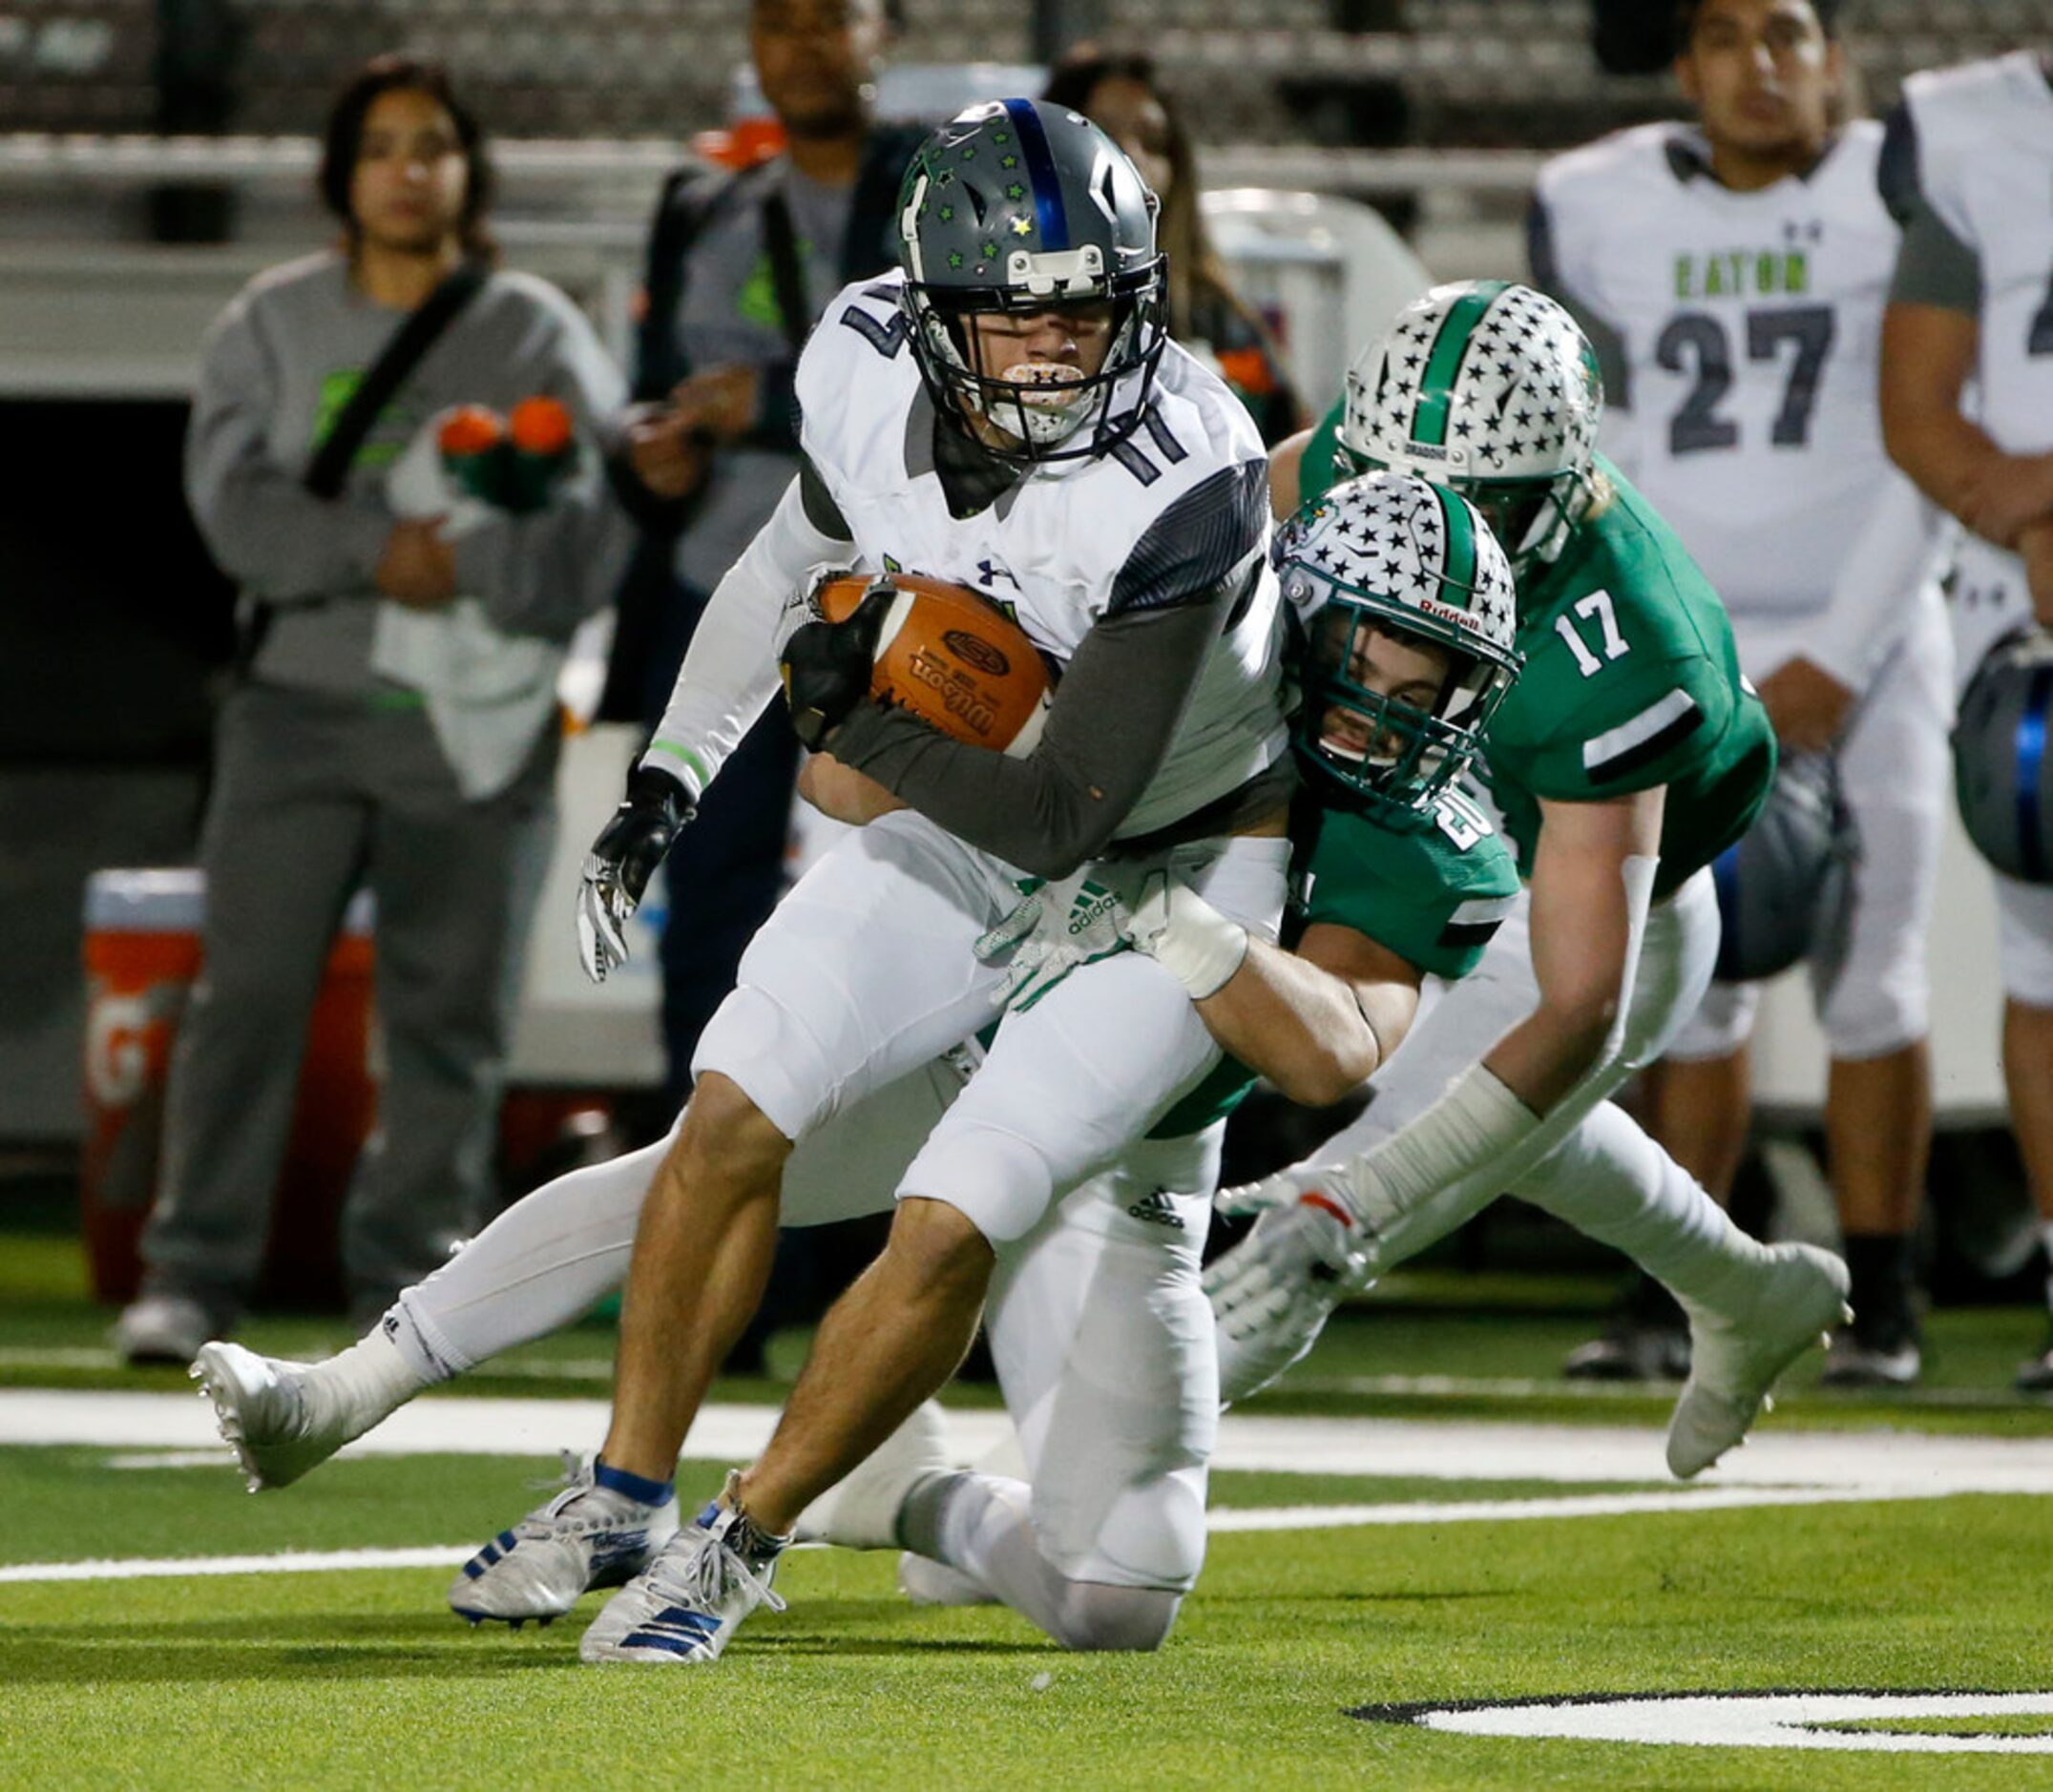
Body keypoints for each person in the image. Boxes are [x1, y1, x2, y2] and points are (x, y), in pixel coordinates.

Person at [205, 97, 1293, 1662]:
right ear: (928, 309)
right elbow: (787, 561)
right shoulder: (861, 364)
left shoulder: (1177, 471)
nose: (1056, 347)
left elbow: (1067, 810)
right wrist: (671, 772)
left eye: (1086, 309)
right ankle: (628, 1488)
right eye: (1015, 310)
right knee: (732, 1107)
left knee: (1082, 1507)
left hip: (1172, 882)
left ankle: (779, 1528)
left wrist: (846, 724)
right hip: (972, 819)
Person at [194, 470, 1528, 1655]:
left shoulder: (1425, 829)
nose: (1401, 713)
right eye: (1386, 663)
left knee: (1117, 1596)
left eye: (1441, 686)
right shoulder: (1176, 668)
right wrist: (956, 753)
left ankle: (899, 1491)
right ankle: (341, 1392)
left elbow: (1330, 1049)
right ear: (1300, 613)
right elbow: (846, 792)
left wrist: (1179, 921)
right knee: (710, 1154)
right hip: (978, 1031)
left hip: (1136, 1163)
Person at [1193, 280, 1847, 1465]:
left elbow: (1577, 1007)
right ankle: (1748, 1292)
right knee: (1512, 1133)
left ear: (1554, 493)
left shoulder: (1630, 639)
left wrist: (1358, 1206)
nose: (1419, 529)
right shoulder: (1374, 461)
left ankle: (1061, 1528)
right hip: (1459, 840)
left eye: (1475, 507)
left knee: (1313, 1231)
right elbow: (1256, 510)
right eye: (1393, 487)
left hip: (1604, 909)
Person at [114, 55, 633, 1365]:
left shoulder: (531, 329)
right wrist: (372, 547)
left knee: (446, 1016)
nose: (410, 169)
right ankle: (192, 1274)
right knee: (247, 997)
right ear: (342, 177)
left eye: (433, 146)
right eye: (383, 146)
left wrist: (464, 562)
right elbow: (232, 505)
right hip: (294, 708)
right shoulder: (270, 321)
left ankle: (412, 1285)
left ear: (468, 172)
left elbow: (591, 527)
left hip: (471, 729)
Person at [1529, 0, 1950, 1386]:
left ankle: (1879, 1301)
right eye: (1724, 37)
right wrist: (1669, 633)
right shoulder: (1591, 200)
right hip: (1686, 622)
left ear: (1835, 58)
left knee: (1870, 969)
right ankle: (1677, 1287)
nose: (1758, 66)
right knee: (1682, 979)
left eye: (1786, 34)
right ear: (1680, 67)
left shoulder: (1909, 183)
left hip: (1870, 620)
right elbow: (1590, 436)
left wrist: (1840, 648)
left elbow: (1940, 425)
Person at [609, 0, 928, 1101]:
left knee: (900, 901)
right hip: (715, 591)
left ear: (886, 32)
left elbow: (951, 377)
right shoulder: (701, 204)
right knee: (708, 907)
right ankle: (697, 1192)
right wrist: (647, 448)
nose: (802, 42)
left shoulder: (939, 192)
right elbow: (650, 388)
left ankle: (861, 1228)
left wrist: (766, 399)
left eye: (831, 17)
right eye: (777, 19)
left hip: (889, 609)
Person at [1878, 45, 2053, 1388]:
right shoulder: (1965, 130)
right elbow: (1916, 404)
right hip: (2023, 587)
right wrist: (2028, 512)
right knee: (2040, 962)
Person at [1040, 47, 1305, 447]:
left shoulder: (1217, 316)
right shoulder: (995, 303)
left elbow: (1283, 455)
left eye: (1153, 141)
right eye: (1105, 134)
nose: (1132, 155)